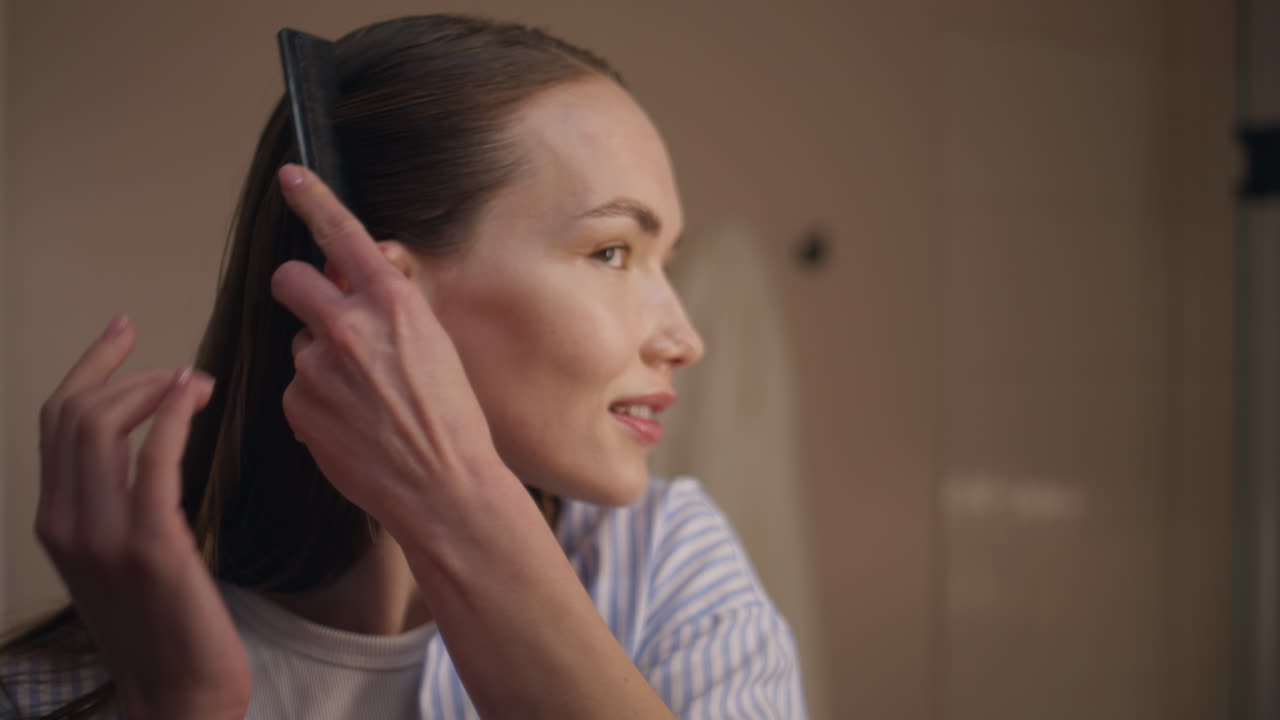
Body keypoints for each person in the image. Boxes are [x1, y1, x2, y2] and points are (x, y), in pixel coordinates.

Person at [1, 14, 806, 720]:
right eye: (613, 251)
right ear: (374, 293)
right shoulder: (53, 686)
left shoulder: (664, 567)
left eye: (663, 259)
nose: (685, 337)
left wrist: (454, 501)